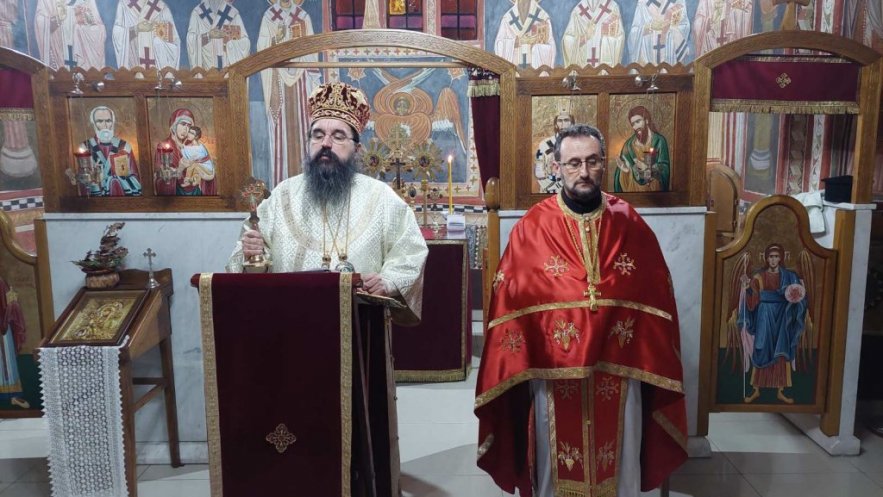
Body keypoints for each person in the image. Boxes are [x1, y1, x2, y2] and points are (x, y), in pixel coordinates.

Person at [228, 82, 428, 495]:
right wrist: (250, 255)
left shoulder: (382, 199)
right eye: (318, 134)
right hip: (289, 344)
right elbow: (246, 265)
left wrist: (389, 279)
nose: (326, 144)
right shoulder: (280, 198)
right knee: (298, 427)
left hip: (359, 343)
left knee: (356, 432)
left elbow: (410, 252)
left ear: (356, 147)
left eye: (338, 136)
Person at [475, 124, 687, 497]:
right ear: (556, 167)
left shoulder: (629, 222)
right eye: (574, 163)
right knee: (553, 464)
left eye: (592, 161)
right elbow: (510, 296)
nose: (584, 172)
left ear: (604, 163)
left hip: (618, 372)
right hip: (553, 376)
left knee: (621, 461)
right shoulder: (532, 228)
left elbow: (656, 293)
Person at [257, 0, 320, 185]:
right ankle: (281, 183)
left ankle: (308, 183)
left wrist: (298, 46)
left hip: (301, 80)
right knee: (280, 131)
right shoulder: (270, 16)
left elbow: (312, 49)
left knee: (304, 126)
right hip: (278, 79)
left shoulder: (302, 16)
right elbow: (261, 49)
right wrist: (275, 40)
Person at [738, 243, 808, 404]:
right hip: (764, 315)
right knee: (761, 348)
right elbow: (753, 299)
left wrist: (795, 301)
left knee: (780, 349)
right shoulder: (759, 276)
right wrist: (747, 288)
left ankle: (780, 391)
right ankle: (756, 389)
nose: (773, 259)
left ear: (781, 258)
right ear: (766, 258)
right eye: (771, 256)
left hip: (783, 316)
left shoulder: (790, 276)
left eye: (776, 256)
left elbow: (799, 295)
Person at [80, 106, 142, 197]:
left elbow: (134, 177)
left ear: (113, 123)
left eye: (108, 121)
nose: (105, 125)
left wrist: (118, 178)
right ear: (94, 124)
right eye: (100, 121)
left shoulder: (124, 146)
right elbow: (82, 180)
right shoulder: (86, 147)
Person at [154, 108, 216, 196]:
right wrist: (180, 168)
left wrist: (200, 172)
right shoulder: (163, 146)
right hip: (176, 196)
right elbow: (161, 179)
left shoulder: (194, 146)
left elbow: (207, 167)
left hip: (196, 192)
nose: (186, 129)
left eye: (189, 126)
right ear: (174, 125)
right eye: (183, 124)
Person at [35, 0, 106, 71]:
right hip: (58, 56)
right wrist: (59, 19)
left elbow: (99, 30)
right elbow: (40, 23)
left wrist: (86, 20)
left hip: (83, 64)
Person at [614, 105, 671, 192]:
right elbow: (621, 173)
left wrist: (649, 169)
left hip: (654, 192)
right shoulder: (628, 145)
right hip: (632, 190)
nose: (636, 127)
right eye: (633, 124)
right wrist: (625, 169)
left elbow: (665, 168)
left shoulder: (659, 141)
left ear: (646, 120)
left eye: (638, 121)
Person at [112, 0, 179, 70]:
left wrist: (155, 28)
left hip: (156, 71)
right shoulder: (124, 4)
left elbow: (174, 42)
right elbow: (117, 35)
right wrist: (136, 29)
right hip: (133, 67)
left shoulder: (162, 7)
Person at [186, 0, 250, 70]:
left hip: (227, 68)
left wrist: (228, 38)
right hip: (206, 70)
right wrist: (209, 35)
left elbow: (245, 42)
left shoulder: (233, 13)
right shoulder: (197, 13)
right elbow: (191, 41)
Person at [561, 0, 625, 67]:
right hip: (583, 69)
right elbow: (567, 42)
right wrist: (585, 37)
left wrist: (605, 34)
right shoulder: (577, 11)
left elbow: (619, 38)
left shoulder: (612, 7)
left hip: (604, 69)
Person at [493, 0, 555, 70]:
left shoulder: (542, 17)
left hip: (535, 72)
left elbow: (551, 47)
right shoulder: (507, 18)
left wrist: (536, 45)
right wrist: (517, 41)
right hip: (514, 71)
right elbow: (499, 45)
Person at [626, 0, 692, 65]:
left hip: (670, 57)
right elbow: (634, 33)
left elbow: (684, 26)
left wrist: (668, 27)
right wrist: (649, 27)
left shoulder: (678, 2)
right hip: (647, 58)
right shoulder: (643, 2)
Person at [0, 278, 28, 409]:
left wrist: (12, 304)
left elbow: (6, 305)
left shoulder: (0, 282)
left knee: (6, 360)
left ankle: (13, 396)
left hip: (2, 328)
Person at [534, 110, 573, 194]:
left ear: (572, 123)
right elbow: (539, 172)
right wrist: (555, 186)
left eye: (566, 120)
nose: (563, 124)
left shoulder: (578, 144)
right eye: (560, 121)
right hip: (550, 190)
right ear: (555, 124)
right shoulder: (545, 144)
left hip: (573, 192)